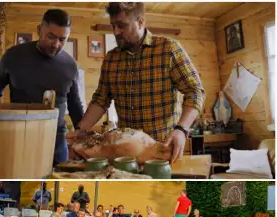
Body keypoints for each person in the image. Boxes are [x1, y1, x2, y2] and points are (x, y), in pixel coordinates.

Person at [68, 2, 204, 163]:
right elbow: (100, 100)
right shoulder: (111, 59)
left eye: (121, 25)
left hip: (163, 151)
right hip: (124, 156)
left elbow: (195, 91)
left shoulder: (169, 49)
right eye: (113, 26)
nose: (116, 32)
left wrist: (181, 129)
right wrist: (80, 130)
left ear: (140, 22)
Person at [0, 9, 83, 164]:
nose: (56, 44)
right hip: (19, 138)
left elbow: (75, 106)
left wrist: (83, 135)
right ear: (39, 30)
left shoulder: (70, 65)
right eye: (51, 37)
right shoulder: (13, 56)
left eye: (62, 39)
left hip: (56, 143)